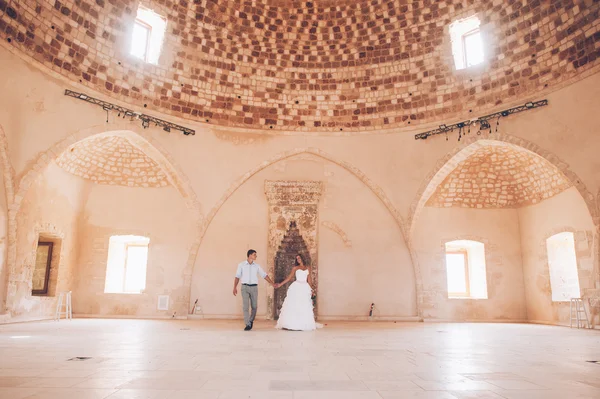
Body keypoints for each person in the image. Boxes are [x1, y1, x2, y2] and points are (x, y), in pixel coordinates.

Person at [274, 253, 322, 331]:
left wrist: (312, 290)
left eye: (299, 258)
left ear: (302, 258)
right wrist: (280, 284)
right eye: (297, 259)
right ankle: (290, 324)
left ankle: (303, 324)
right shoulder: (295, 268)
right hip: (296, 287)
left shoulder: (308, 267)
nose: (298, 259)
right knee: (294, 304)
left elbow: (309, 280)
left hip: (305, 288)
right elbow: (289, 278)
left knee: (304, 305)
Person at [233, 249, 275, 331]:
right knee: (245, 306)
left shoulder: (257, 266)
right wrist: (234, 287)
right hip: (244, 287)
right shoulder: (241, 265)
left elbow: (264, 275)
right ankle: (247, 324)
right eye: (254, 254)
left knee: (254, 306)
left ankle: (251, 320)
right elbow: (237, 276)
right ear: (250, 255)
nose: (256, 256)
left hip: (254, 288)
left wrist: (272, 283)